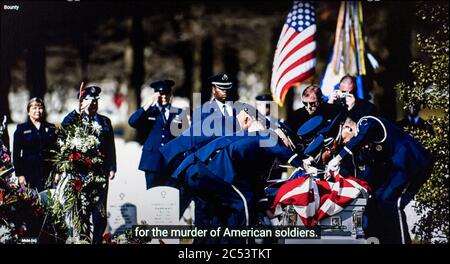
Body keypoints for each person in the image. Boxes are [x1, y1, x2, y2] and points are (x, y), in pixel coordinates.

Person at [172, 111, 300, 244]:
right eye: (287, 144)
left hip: (193, 173)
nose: (286, 146)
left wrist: (265, 207)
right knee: (243, 202)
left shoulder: (250, 140)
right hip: (210, 172)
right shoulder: (266, 138)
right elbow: (254, 181)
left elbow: (254, 181)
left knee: (215, 218)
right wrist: (301, 163)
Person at [326, 114, 432, 244]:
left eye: (343, 139)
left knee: (393, 203)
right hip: (400, 169)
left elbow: (363, 134)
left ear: (348, 128)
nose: (345, 142)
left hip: (414, 162)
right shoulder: (365, 146)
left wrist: (338, 158)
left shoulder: (366, 122)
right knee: (379, 199)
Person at [61, 85, 116, 244]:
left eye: (95, 102)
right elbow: (63, 129)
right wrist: (76, 112)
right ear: (82, 102)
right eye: (89, 101)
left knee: (100, 212)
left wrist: (112, 167)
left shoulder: (105, 121)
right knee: (83, 210)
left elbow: (110, 146)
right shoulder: (75, 119)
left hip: (100, 173)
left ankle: (97, 240)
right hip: (81, 173)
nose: (93, 105)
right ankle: (84, 239)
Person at [128, 80, 188, 189]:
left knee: (172, 199)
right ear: (155, 95)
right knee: (152, 198)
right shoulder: (148, 112)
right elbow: (132, 122)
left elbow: (185, 138)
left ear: (171, 95)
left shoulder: (179, 113)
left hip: (172, 163)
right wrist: (148, 103)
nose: (163, 97)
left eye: (166, 93)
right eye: (160, 94)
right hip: (152, 162)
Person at [13, 97, 57, 192]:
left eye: (40, 108)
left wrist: (57, 172)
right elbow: (16, 155)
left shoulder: (51, 128)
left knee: (48, 201)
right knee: (30, 204)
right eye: (34, 108)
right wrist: (20, 175)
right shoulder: (21, 129)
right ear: (28, 111)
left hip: (47, 173)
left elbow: (56, 152)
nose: (38, 110)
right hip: (29, 173)